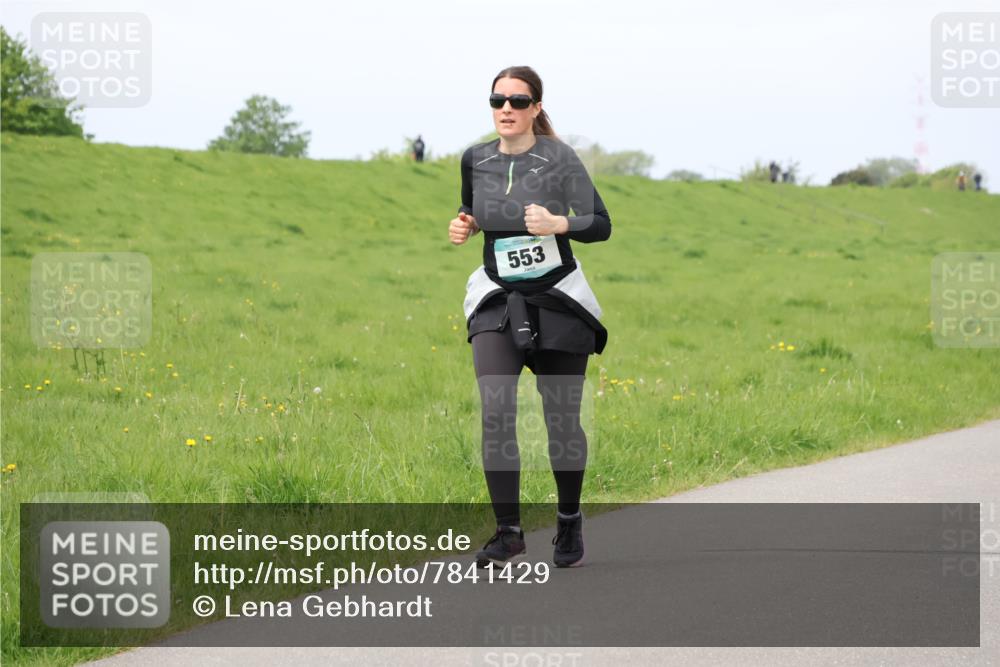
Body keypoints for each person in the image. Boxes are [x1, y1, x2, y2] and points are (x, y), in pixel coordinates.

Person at [448, 65, 611, 569]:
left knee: (561, 419)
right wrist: (467, 224)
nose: (506, 110)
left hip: (556, 297)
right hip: (499, 296)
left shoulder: (560, 160)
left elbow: (600, 225)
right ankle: (509, 532)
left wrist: (559, 222)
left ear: (536, 107)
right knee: (496, 410)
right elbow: (474, 210)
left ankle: (567, 519)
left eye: (518, 102)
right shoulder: (474, 159)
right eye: (498, 101)